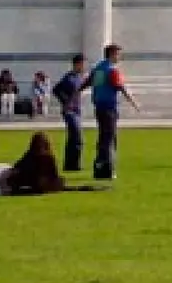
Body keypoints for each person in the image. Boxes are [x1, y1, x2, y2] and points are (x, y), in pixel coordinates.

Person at [88, 44, 138, 181]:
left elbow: (89, 82)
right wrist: (133, 102)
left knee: (103, 138)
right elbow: (120, 87)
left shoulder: (98, 68)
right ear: (112, 54)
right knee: (110, 138)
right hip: (109, 107)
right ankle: (107, 169)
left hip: (99, 106)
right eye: (118, 54)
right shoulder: (112, 70)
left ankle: (99, 168)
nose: (119, 57)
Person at [51, 54, 87, 173]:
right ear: (77, 64)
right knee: (78, 138)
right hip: (70, 111)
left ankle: (69, 164)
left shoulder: (79, 77)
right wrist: (65, 101)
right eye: (82, 64)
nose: (84, 66)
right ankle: (74, 164)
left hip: (77, 110)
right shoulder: (69, 78)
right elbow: (56, 89)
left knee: (73, 138)